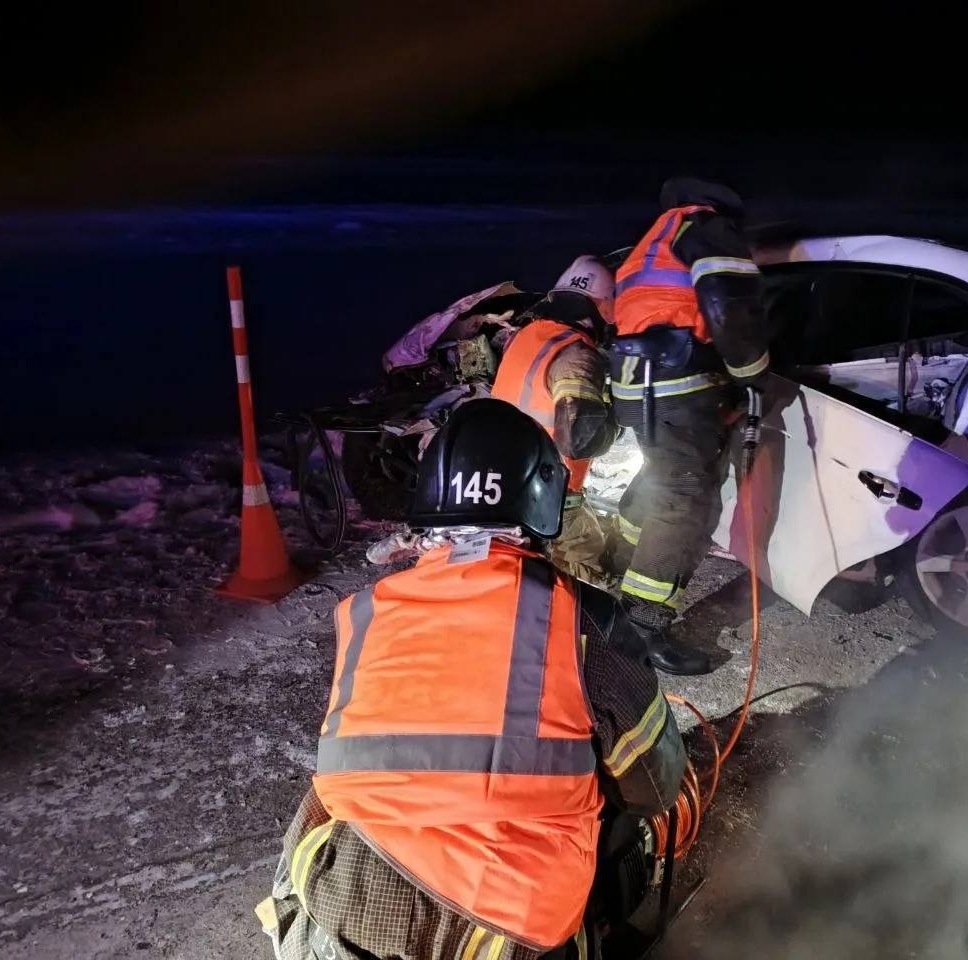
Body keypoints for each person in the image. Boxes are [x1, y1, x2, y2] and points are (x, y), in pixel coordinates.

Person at [258, 399, 685, 960]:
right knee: (616, 819)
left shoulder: (364, 612)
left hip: (344, 901)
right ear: (544, 497)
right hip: (495, 925)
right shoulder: (578, 617)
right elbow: (654, 784)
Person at [609, 177, 770, 676]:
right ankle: (639, 628)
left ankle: (619, 567)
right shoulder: (706, 228)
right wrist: (752, 375)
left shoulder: (652, 242)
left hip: (639, 384)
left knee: (662, 480)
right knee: (685, 500)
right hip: (676, 383)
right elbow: (727, 304)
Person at [492, 256, 618, 587]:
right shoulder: (578, 354)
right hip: (552, 492)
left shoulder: (528, 337)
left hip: (508, 481)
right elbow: (578, 438)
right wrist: (615, 422)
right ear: (603, 308)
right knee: (587, 578)